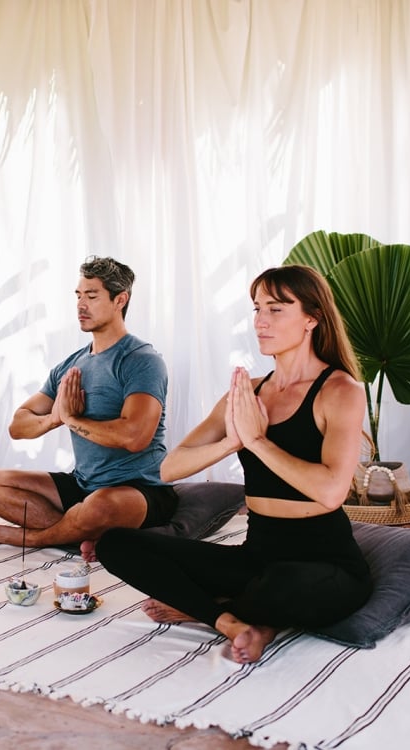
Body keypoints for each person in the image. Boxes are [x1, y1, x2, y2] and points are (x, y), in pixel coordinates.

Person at [95, 264, 372, 665]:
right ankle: (229, 620)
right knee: (115, 543)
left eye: (276, 310)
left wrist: (257, 441)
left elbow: (331, 492)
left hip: (323, 563)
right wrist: (232, 441)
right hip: (256, 555)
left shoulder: (339, 390)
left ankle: (208, 609)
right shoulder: (247, 394)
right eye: (257, 310)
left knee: (285, 585)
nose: (261, 322)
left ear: (312, 318)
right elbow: (169, 469)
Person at [0, 256, 177, 556]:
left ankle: (33, 538)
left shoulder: (141, 360)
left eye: (92, 296)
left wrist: (71, 418)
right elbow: (18, 425)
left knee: (100, 507)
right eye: (79, 296)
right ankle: (76, 532)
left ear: (120, 300)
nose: (81, 305)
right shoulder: (71, 365)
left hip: (140, 489)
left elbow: (135, 437)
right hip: (83, 484)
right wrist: (55, 419)